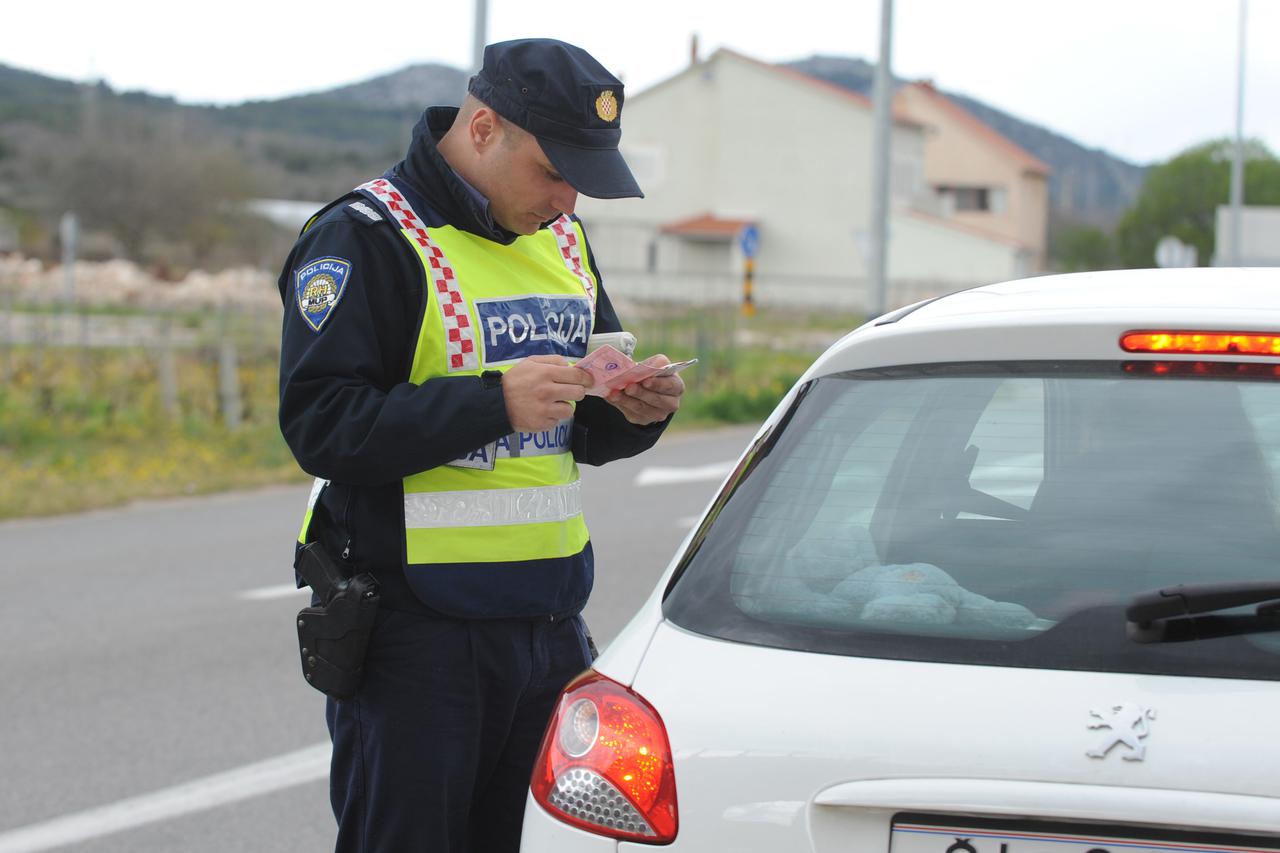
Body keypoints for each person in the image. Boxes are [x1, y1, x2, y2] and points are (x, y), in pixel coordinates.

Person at [276, 38, 684, 853]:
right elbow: (321, 423)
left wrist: (633, 412)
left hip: (547, 625)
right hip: (416, 639)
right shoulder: (367, 235)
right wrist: (492, 401)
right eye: (554, 170)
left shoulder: (561, 237)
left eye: (583, 180)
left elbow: (573, 426)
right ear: (486, 127)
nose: (568, 200)